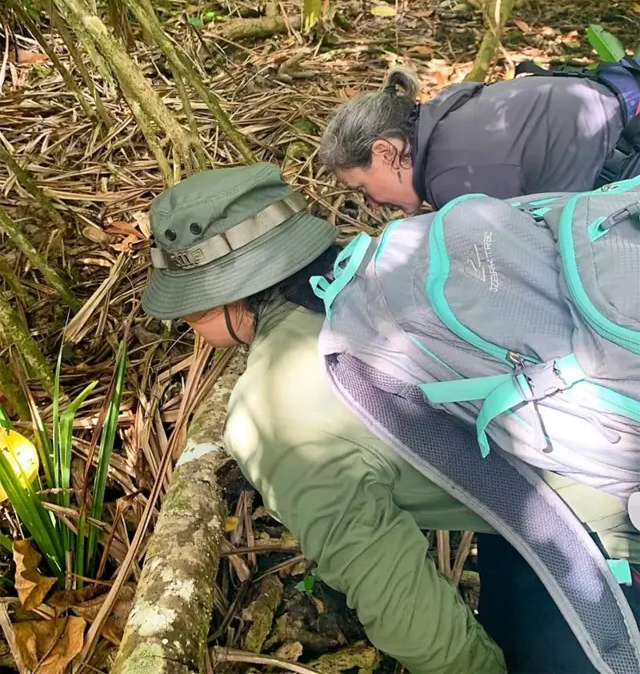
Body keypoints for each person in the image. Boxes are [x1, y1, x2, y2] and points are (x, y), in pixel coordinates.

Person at [143, 162, 640, 674]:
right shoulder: (388, 258)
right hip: (553, 484)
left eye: (189, 306)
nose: (184, 321)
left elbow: (406, 608)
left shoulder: (269, 414)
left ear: (224, 294)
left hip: (601, 532)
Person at [319, 60, 640, 212]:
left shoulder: (453, 178)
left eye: (363, 187)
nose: (373, 205)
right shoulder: (444, 109)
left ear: (385, 152)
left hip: (625, 152)